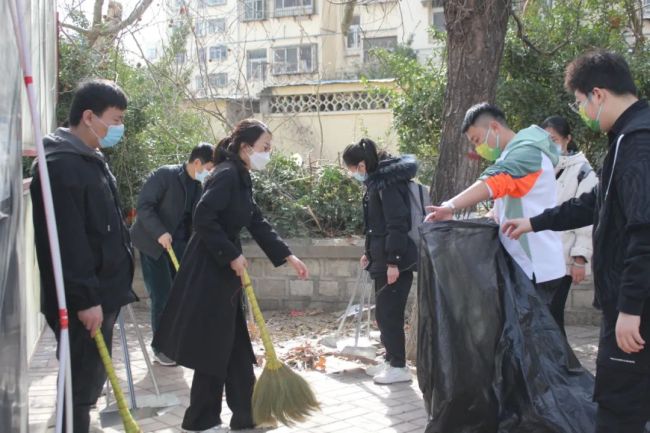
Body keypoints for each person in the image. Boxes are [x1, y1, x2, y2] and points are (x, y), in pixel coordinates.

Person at [502, 51, 650, 433]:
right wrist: (535, 222)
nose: (582, 111)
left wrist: (630, 307)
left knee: (619, 408)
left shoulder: (637, 142)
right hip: (631, 302)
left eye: (581, 101)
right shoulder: (625, 138)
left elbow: (644, 230)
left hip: (635, 308)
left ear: (597, 94)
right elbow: (595, 204)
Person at [152, 119, 310, 432]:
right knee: (216, 345)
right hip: (209, 270)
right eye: (265, 147)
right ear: (245, 148)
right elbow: (203, 217)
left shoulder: (240, 176)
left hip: (223, 271)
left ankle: (246, 415)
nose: (268, 153)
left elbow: (256, 221)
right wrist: (231, 254)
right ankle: (200, 420)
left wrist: (287, 254)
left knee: (235, 346)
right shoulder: (226, 176)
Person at [31, 79, 136, 433]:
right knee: (78, 385)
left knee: (88, 382)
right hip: (83, 302)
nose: (119, 127)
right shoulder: (59, 166)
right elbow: (67, 242)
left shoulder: (90, 158)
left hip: (102, 294)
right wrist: (86, 299)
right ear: (89, 116)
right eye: (116, 119)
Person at [425, 103, 566, 316]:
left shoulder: (527, 153)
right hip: (523, 267)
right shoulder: (510, 156)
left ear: (494, 127)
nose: (477, 148)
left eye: (477, 140)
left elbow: (494, 181)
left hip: (537, 268)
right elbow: (499, 213)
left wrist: (450, 205)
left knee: (544, 344)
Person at [130, 142, 214, 366]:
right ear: (197, 162)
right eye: (209, 167)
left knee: (181, 296)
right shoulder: (165, 175)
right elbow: (144, 207)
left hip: (179, 246)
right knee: (162, 295)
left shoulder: (199, 185)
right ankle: (160, 348)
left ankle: (178, 342)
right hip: (153, 244)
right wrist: (160, 232)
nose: (209, 173)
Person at [343, 139, 418, 385]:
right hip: (382, 259)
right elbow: (376, 226)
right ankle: (390, 360)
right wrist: (369, 252)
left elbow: (397, 224)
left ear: (362, 165)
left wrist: (393, 262)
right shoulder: (377, 183)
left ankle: (399, 366)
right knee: (384, 315)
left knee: (390, 314)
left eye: (352, 168)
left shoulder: (387, 184)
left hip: (395, 261)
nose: (352, 173)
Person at [540, 115, 598, 334]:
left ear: (567, 139)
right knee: (544, 316)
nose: (550, 146)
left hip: (563, 257)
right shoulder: (540, 169)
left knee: (552, 315)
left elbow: (586, 219)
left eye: (554, 140)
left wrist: (580, 259)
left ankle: (562, 364)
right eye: (546, 141)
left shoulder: (583, 171)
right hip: (540, 256)